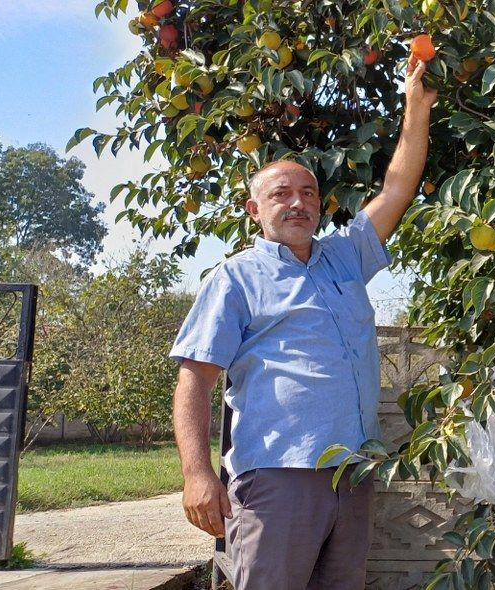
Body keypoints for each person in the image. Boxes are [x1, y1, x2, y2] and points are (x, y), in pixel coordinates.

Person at [167, 57, 437, 589]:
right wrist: (197, 474)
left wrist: (416, 108)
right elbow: (193, 380)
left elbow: (398, 188)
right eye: (281, 195)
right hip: (277, 476)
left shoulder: (346, 257)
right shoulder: (235, 280)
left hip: (352, 473)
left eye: (308, 193)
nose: (297, 203)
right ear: (254, 209)